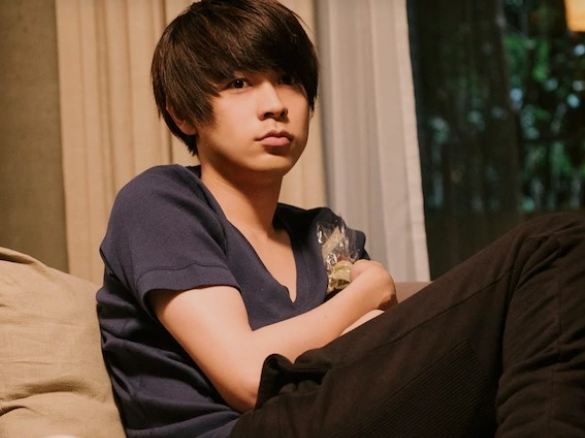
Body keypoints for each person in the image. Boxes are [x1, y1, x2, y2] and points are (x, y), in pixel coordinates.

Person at [96, 0, 585, 437]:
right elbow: (247, 377)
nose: (275, 105)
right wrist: (366, 293)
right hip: (245, 430)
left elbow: (376, 362)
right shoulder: (161, 202)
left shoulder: (324, 234)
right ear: (183, 114)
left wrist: (351, 323)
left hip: (332, 415)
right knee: (553, 245)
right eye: (239, 83)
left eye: (288, 80)